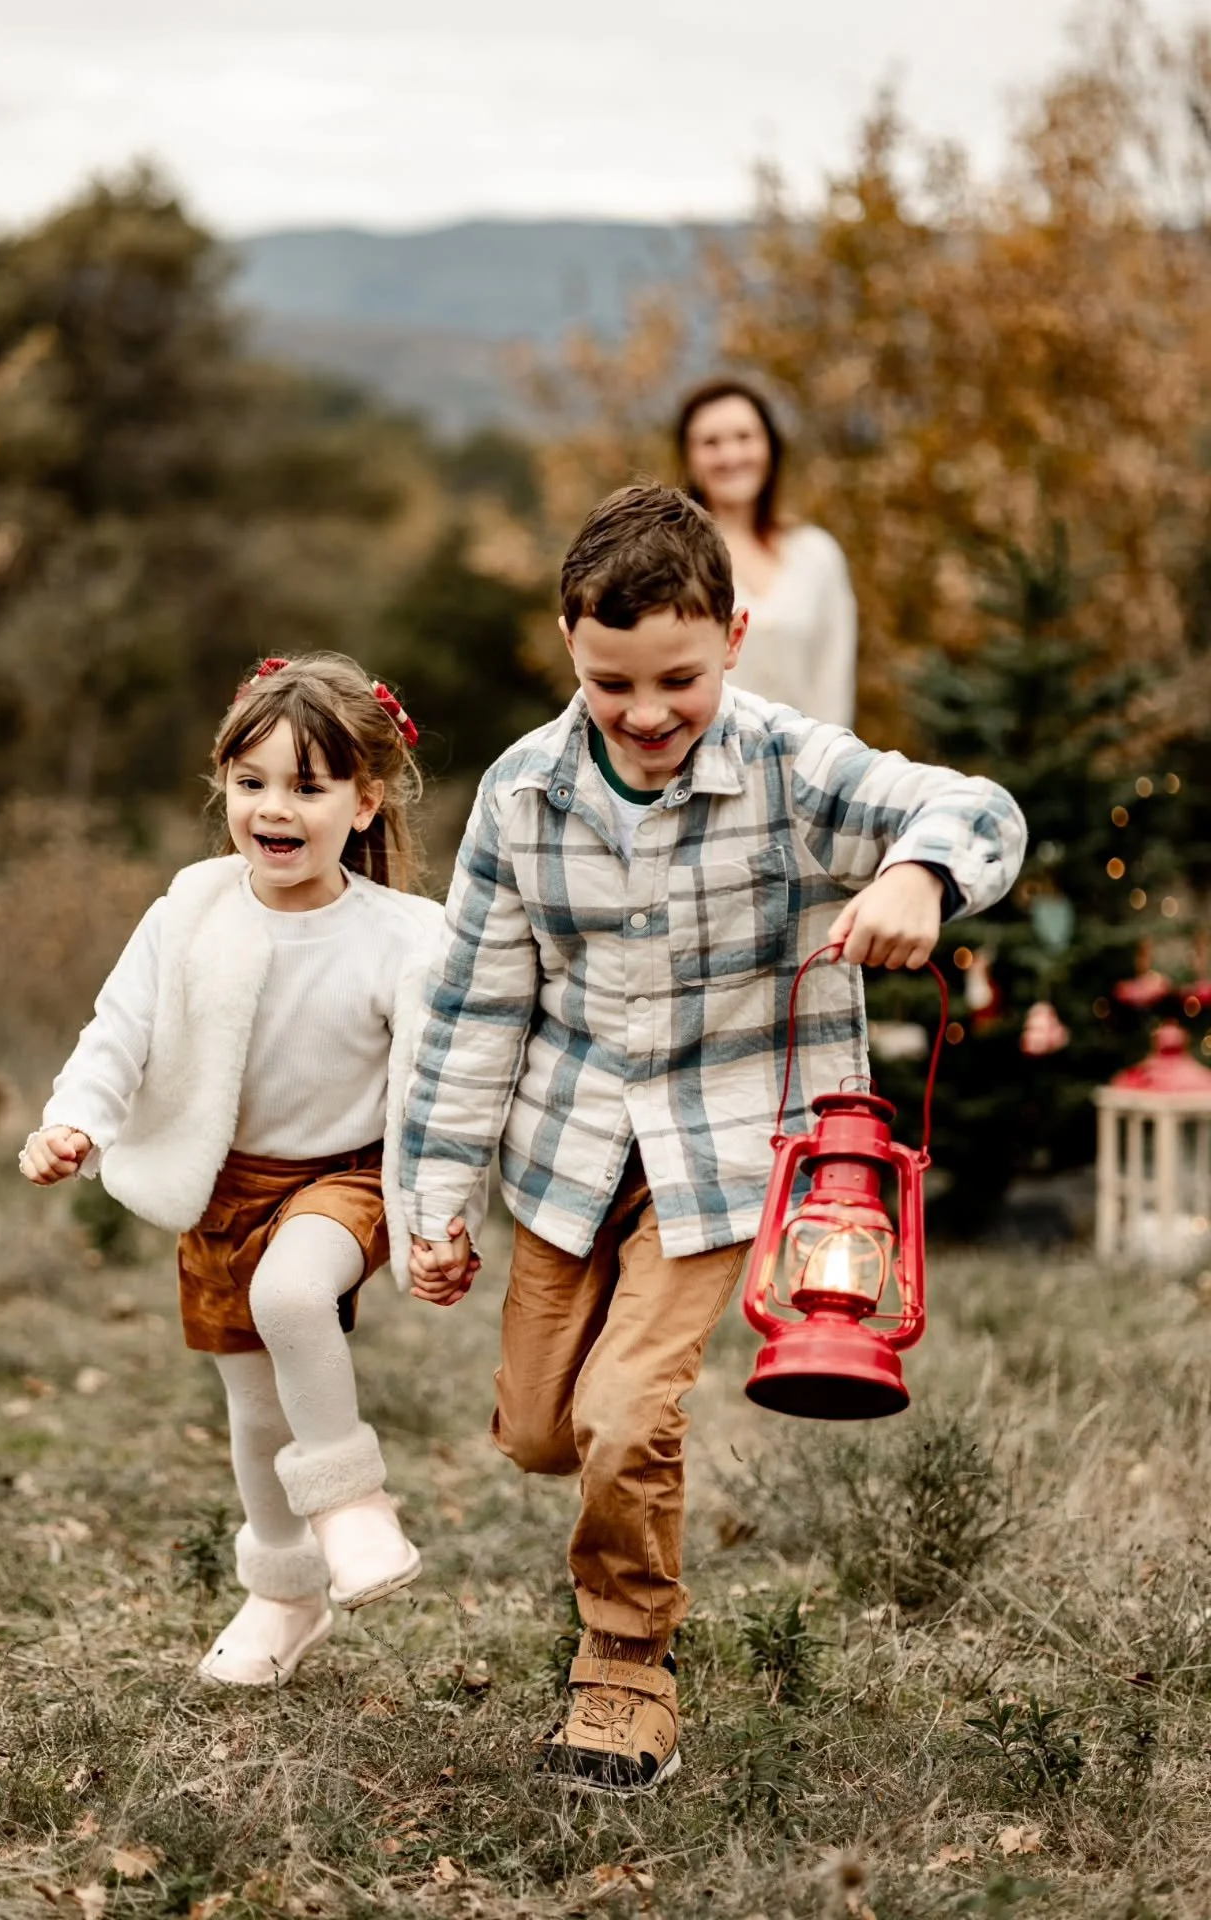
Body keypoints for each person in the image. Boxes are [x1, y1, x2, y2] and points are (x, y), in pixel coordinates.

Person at [400, 485, 1025, 1794]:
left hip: (729, 1156)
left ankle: (625, 1667)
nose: (645, 713)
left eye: (678, 679)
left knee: (628, 1414)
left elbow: (976, 808)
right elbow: (472, 1008)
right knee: (541, 1432)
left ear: (734, 639)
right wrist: (434, 1194)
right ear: (569, 644)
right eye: (611, 683)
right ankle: (607, 1458)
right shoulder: (521, 795)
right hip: (569, 1155)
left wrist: (918, 873)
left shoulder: (792, 767)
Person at [19, 652, 459, 1690]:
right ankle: (285, 1595)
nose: (274, 808)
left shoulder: (407, 936)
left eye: (307, 786)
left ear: (365, 800)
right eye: (251, 781)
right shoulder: (190, 913)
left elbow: (445, 1090)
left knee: (293, 1295)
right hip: (223, 1188)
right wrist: (72, 1121)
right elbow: (118, 1031)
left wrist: (441, 1216)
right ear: (223, 784)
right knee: (257, 1417)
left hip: (346, 1181)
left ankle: (355, 1505)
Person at [676, 377, 857, 728]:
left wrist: (828, 757)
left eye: (744, 437)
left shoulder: (817, 555)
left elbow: (834, 679)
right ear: (689, 457)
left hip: (806, 757)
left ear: (770, 447)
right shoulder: (673, 558)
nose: (731, 456)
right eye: (711, 442)